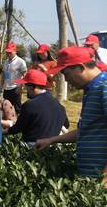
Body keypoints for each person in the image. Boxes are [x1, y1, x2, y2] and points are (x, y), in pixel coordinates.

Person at [35, 47, 107, 180]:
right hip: (91, 179)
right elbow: (85, 130)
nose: (66, 79)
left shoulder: (104, 86)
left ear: (80, 67)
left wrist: (105, 179)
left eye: (66, 73)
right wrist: (52, 140)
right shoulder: (91, 89)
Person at [2, 69, 69, 147]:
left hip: (33, 146)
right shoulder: (58, 105)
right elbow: (66, 124)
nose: (25, 89)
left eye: (26, 86)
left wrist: (2, 132)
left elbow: (17, 128)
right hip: (54, 147)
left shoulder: (30, 105)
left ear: (32, 87)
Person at [2, 42, 27, 114]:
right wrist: (1, 85)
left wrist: (21, 87)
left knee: (17, 109)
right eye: (7, 52)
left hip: (15, 88)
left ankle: (20, 120)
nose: (9, 54)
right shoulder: (6, 61)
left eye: (10, 52)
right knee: (6, 108)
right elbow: (3, 73)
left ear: (15, 51)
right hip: (6, 88)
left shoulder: (20, 61)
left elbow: (25, 75)